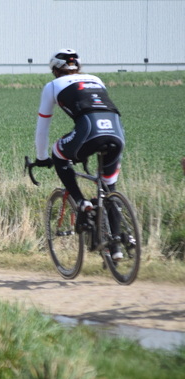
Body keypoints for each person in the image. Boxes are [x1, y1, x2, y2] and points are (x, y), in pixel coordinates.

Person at [34, 48, 126, 260]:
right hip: (116, 134)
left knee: (58, 153)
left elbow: (42, 128)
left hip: (89, 132)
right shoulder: (96, 79)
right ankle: (117, 247)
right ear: (78, 67)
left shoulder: (52, 86)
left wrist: (41, 157)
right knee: (109, 189)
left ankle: (82, 202)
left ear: (56, 70)